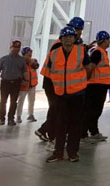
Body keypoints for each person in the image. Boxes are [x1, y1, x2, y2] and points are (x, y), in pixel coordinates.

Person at [46, 26, 92, 163]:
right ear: (61, 39)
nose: (68, 39)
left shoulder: (81, 51)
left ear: (74, 38)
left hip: (77, 95)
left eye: (71, 37)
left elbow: (88, 68)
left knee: (75, 125)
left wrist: (82, 82)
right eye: (65, 37)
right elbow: (50, 71)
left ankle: (72, 152)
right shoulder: (54, 53)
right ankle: (58, 152)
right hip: (60, 95)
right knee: (60, 124)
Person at [84, 31, 110, 143]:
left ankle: (94, 132)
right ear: (104, 40)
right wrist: (87, 80)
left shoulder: (102, 52)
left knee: (96, 111)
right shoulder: (97, 53)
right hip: (96, 86)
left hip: (101, 86)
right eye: (108, 40)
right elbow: (90, 68)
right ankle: (83, 133)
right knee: (92, 111)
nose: (109, 42)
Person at [36, 37, 64, 145]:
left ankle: (44, 130)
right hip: (52, 82)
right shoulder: (59, 46)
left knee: (55, 109)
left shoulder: (60, 44)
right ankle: (52, 136)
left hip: (53, 81)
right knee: (55, 109)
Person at [0, 40, 28, 126]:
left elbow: (24, 71)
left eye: (18, 48)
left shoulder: (22, 60)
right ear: (11, 48)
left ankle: (11, 119)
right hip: (5, 83)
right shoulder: (3, 59)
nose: (16, 50)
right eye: (14, 48)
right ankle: (1, 118)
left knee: (13, 101)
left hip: (16, 83)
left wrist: (26, 81)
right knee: (3, 101)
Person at [16, 47, 38, 123]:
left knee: (32, 100)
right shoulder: (20, 62)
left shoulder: (33, 61)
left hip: (32, 85)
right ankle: (18, 116)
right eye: (28, 53)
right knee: (21, 101)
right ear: (24, 54)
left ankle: (30, 114)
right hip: (23, 85)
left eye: (31, 53)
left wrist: (30, 61)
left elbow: (36, 66)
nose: (30, 54)